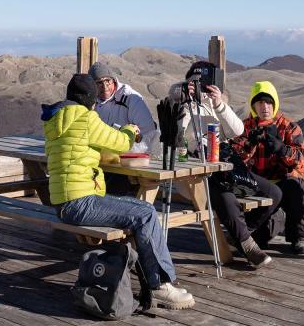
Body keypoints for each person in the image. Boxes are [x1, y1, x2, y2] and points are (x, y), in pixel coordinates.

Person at [41, 74, 195, 310]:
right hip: (81, 202)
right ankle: (160, 284)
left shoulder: (56, 120)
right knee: (145, 213)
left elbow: (79, 149)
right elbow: (119, 143)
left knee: (140, 210)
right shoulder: (85, 118)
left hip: (63, 202)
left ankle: (157, 280)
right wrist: (129, 131)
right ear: (90, 100)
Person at [228, 80, 304, 257]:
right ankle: (264, 227)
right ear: (253, 105)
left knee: (297, 188)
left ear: (274, 103)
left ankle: (299, 237)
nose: (264, 106)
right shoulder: (245, 127)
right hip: (259, 184)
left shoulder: (288, 127)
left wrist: (281, 149)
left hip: (284, 179)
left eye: (268, 102)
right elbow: (234, 157)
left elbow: (302, 157)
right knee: (260, 238)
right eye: (259, 102)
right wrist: (250, 144)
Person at [165, 60, 244, 156]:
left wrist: (219, 106)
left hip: (219, 158)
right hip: (193, 161)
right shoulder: (178, 103)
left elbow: (237, 131)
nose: (199, 86)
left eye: (203, 82)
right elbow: (174, 138)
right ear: (187, 83)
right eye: (195, 82)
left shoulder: (216, 103)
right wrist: (188, 103)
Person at [89, 62, 160, 153]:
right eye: (99, 83)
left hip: (128, 157)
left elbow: (149, 133)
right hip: (100, 157)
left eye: (107, 81)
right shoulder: (90, 100)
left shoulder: (131, 98)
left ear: (113, 80)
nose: (104, 87)